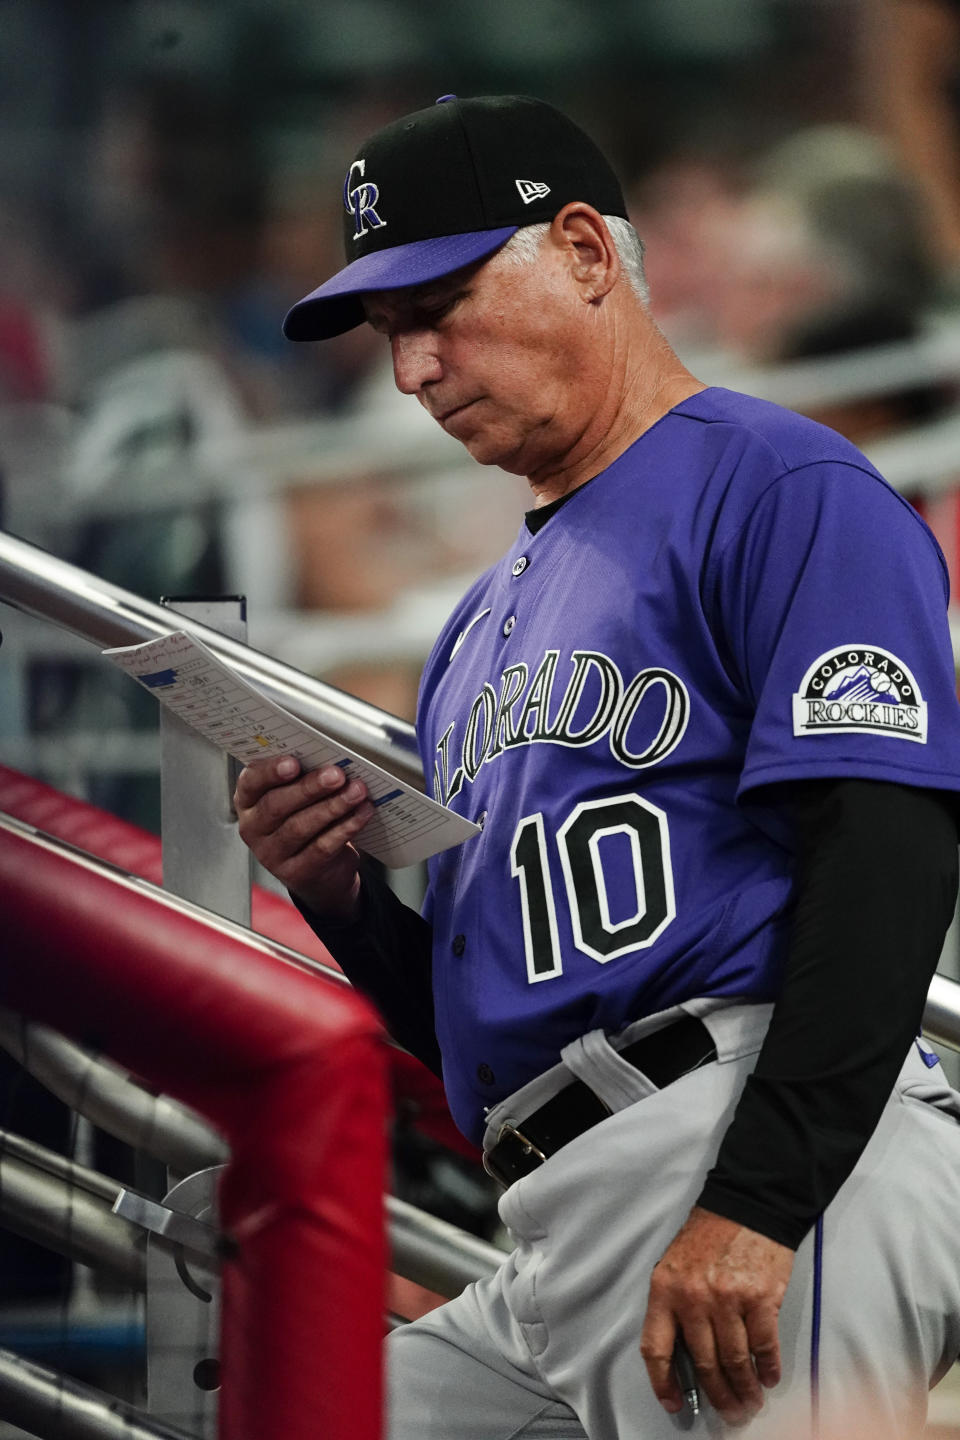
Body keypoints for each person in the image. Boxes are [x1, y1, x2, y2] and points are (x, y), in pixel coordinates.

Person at [234, 95, 960, 1439]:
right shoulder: (477, 623)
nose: (414, 370)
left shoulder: (781, 484)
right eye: (394, 332)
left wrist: (760, 1199)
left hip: (747, 1154)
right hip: (558, 1211)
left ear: (581, 251)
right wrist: (339, 895)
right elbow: (481, 1026)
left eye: (440, 304)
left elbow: (891, 850)